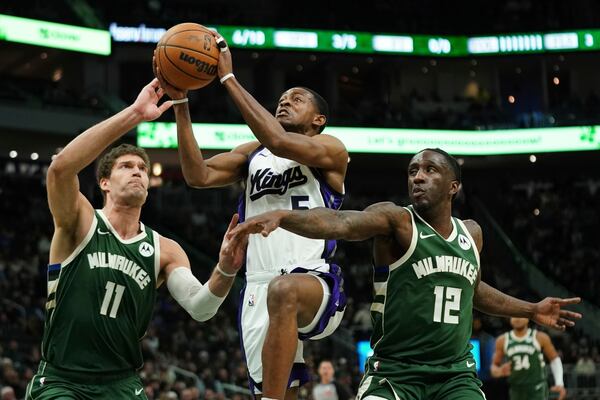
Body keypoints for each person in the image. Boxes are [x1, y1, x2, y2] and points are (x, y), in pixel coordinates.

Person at [230, 148, 582, 400]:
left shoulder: (471, 233)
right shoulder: (395, 220)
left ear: (453, 187)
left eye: (430, 170)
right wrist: (283, 217)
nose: (418, 176)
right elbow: (342, 222)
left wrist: (531, 310)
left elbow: (472, 290)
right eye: (413, 170)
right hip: (394, 374)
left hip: (455, 376)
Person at [154, 32, 349, 400]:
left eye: (297, 98)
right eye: (281, 98)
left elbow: (279, 141)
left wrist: (229, 79)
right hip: (257, 284)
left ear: (319, 119)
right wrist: (181, 103)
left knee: (285, 290)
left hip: (312, 278)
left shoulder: (330, 149)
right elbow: (198, 175)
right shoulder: (253, 155)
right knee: (275, 389)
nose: (285, 101)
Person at [25, 79, 247, 400]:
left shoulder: (165, 249)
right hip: (63, 380)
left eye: (142, 168)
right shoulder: (80, 221)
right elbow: (60, 169)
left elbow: (201, 308)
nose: (137, 172)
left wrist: (225, 270)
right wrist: (135, 114)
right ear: (104, 182)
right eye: (126, 166)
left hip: (123, 383)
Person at [491, 317, 566, 400]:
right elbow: (494, 368)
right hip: (515, 389)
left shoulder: (540, 337)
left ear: (528, 318)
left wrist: (559, 383)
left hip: (537, 389)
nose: (517, 319)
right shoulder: (502, 340)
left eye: (521, 315)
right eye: (514, 316)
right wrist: (499, 371)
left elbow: (554, 359)